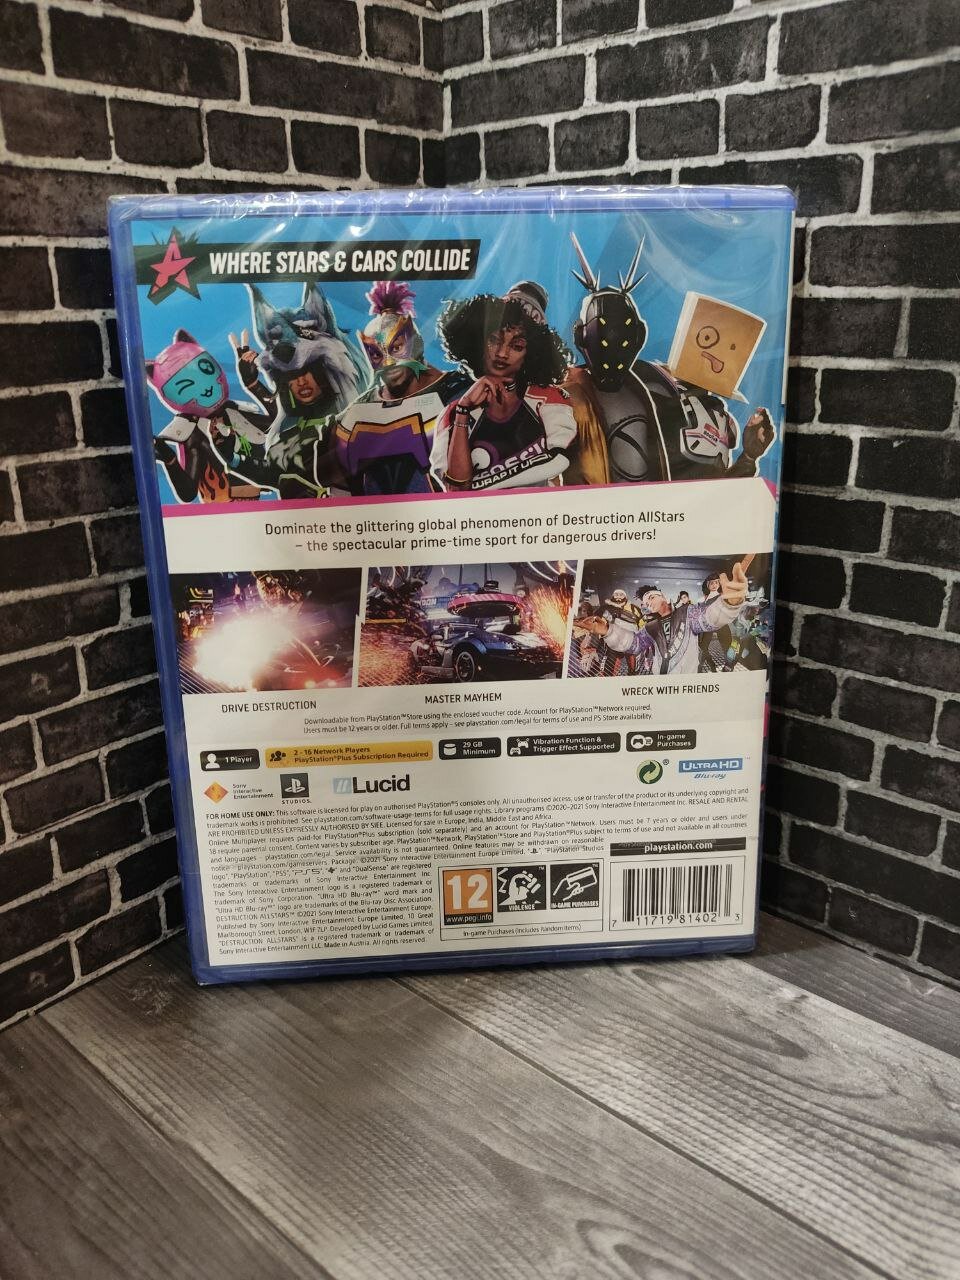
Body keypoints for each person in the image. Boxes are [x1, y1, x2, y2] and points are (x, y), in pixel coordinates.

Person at [327, 281, 470, 496]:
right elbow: (340, 489)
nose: (388, 363)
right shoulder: (355, 415)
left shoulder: (461, 393)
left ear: (415, 342)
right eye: (377, 354)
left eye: (396, 348)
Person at [432, 281, 577, 491]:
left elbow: (557, 461)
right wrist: (463, 411)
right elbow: (454, 489)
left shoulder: (549, 399)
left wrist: (479, 488)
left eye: (517, 346)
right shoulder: (453, 414)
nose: (502, 353)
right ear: (479, 341)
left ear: (532, 353)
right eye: (494, 340)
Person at [578, 561, 753, 675]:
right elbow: (634, 644)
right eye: (646, 602)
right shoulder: (650, 626)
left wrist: (729, 603)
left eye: (651, 597)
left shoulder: (688, 612)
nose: (649, 603)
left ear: (662, 596)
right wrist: (608, 631)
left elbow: (710, 618)